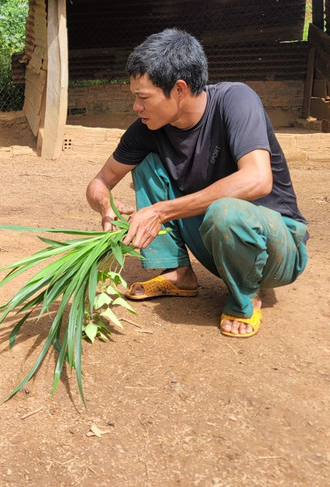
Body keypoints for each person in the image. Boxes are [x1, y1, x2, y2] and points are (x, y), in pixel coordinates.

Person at [85, 28, 309, 338]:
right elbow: (100, 181)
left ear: (178, 89)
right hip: (217, 242)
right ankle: (178, 272)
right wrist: (104, 206)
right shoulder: (147, 129)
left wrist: (160, 212)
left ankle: (245, 296)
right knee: (147, 164)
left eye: (143, 98)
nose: (136, 107)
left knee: (226, 212)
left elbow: (258, 179)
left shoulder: (235, 100)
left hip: (276, 249)